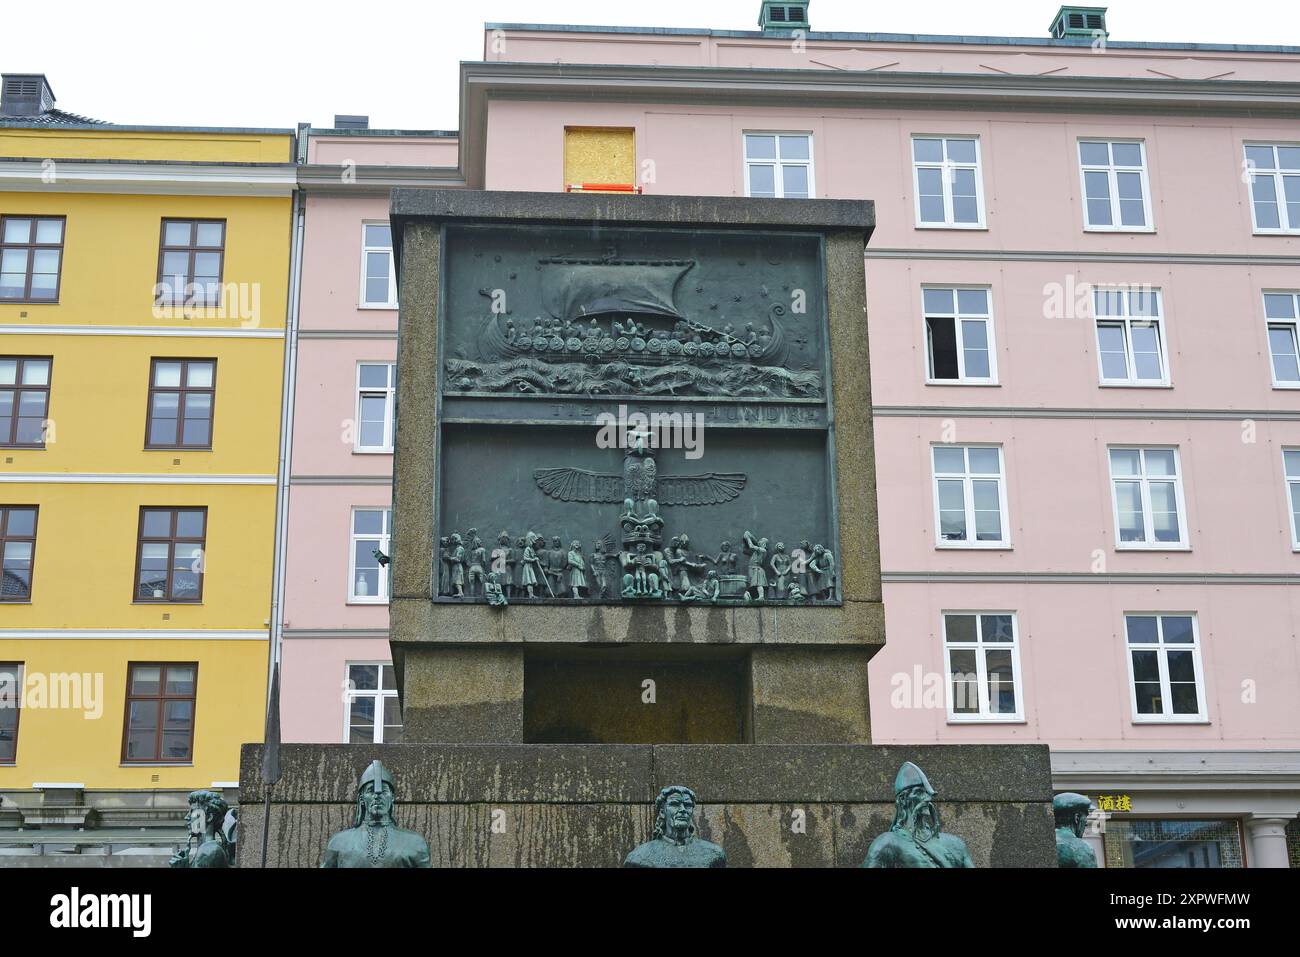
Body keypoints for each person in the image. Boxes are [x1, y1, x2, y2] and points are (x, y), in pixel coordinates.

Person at [320, 760, 431, 868]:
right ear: (361, 798)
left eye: (384, 791)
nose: (377, 795)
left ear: (392, 797)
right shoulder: (339, 842)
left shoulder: (415, 843)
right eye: (370, 791)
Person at [863, 762, 974, 868]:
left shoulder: (956, 844)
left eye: (927, 793)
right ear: (902, 800)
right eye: (919, 792)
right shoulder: (887, 844)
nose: (928, 798)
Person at [623, 785, 726, 868]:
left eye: (687, 805)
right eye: (675, 804)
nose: (682, 809)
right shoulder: (639, 857)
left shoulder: (714, 854)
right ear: (663, 812)